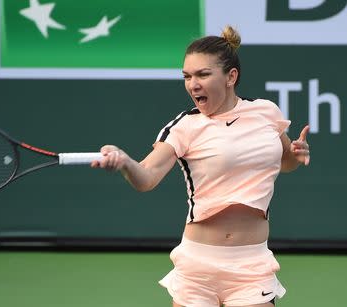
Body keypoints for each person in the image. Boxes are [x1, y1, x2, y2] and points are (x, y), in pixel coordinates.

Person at [91, 25, 310, 307]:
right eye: (187, 76)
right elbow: (146, 177)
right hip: (199, 266)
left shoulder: (266, 112)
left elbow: (285, 162)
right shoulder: (185, 127)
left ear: (231, 77)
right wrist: (124, 162)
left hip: (251, 264)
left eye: (203, 74)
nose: (193, 84)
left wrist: (296, 153)